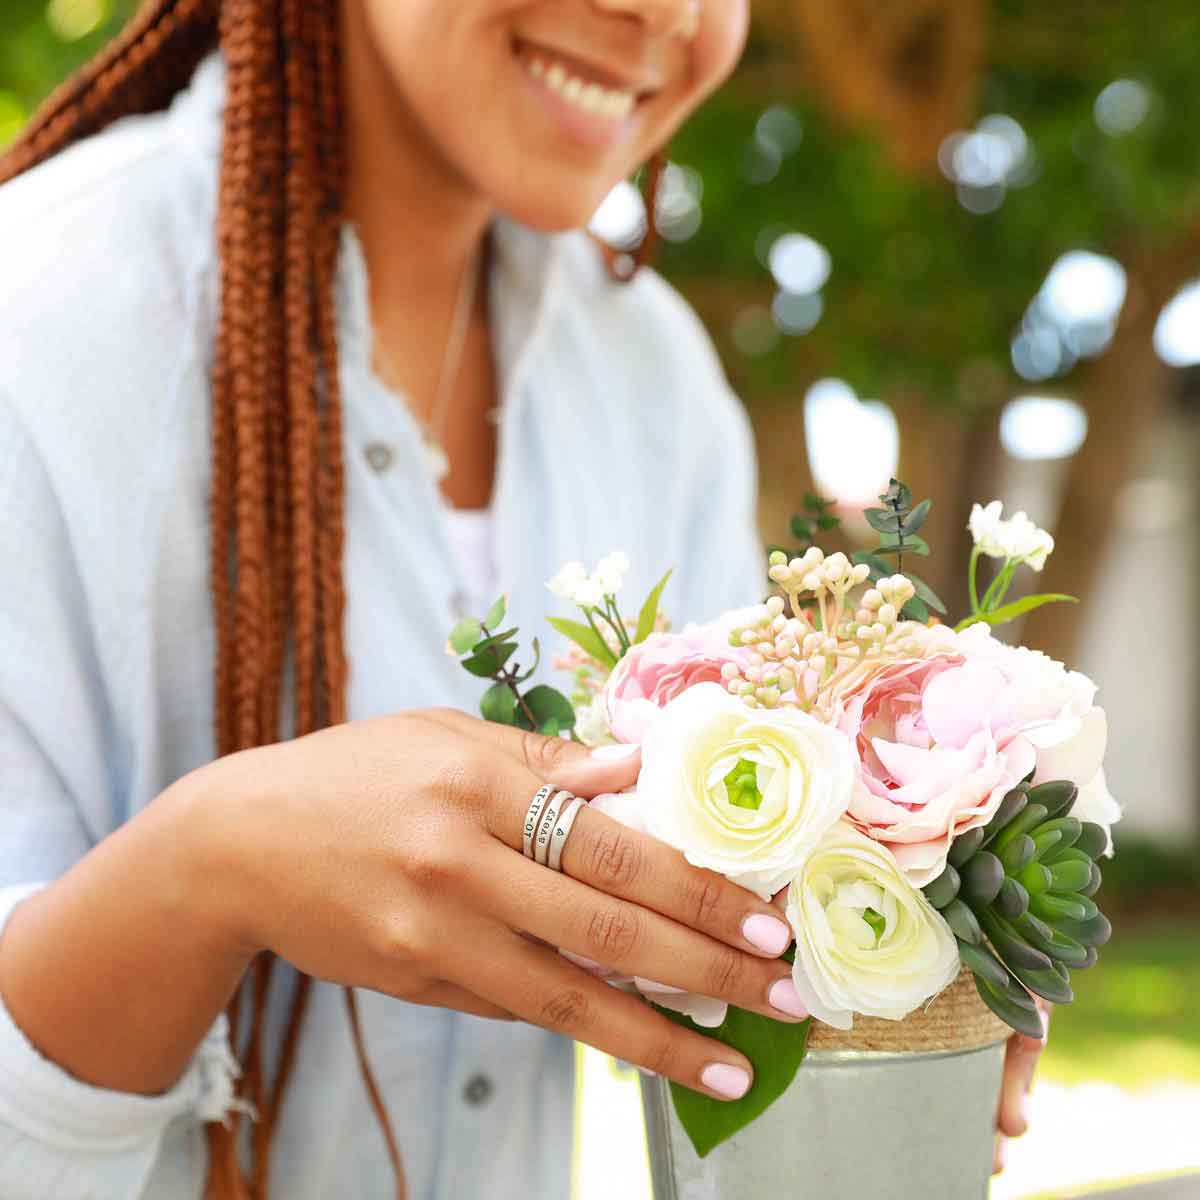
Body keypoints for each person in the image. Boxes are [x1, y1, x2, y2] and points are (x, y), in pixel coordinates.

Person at [0, 2, 1043, 1196]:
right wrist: (210, 869)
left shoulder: (651, 376)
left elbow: (712, 945)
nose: (664, 12)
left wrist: (906, 943)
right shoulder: (37, 318)